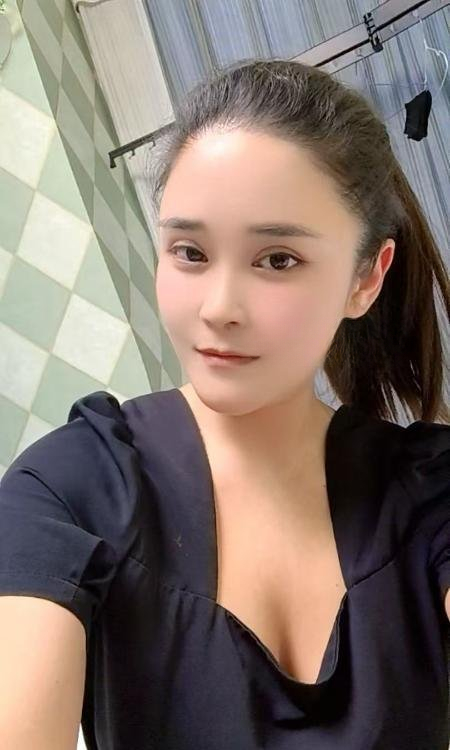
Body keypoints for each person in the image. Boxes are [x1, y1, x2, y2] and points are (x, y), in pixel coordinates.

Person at [0, 59, 449, 750]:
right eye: (189, 252)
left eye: (277, 259)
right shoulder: (66, 491)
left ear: (366, 278)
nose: (219, 309)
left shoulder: (430, 491)